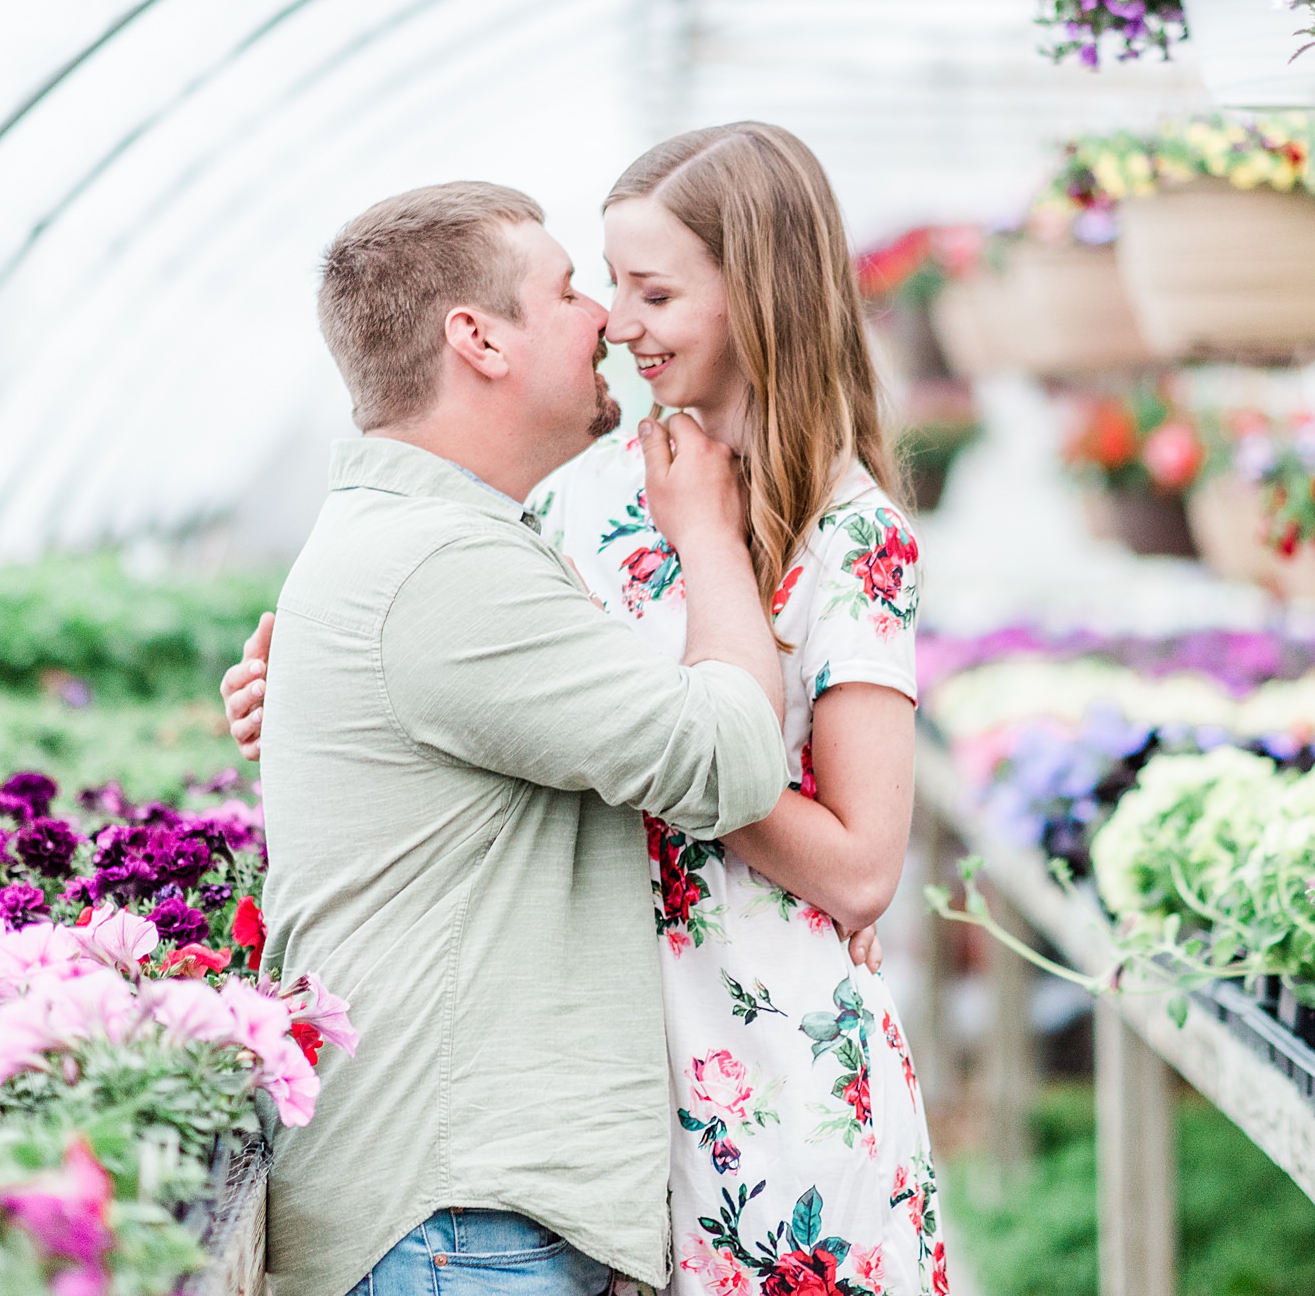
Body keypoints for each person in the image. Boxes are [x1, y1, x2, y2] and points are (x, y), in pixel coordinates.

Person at [229, 125, 946, 1296]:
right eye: (606, 285)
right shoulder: (577, 498)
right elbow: (494, 702)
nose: (617, 320)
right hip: (581, 1101)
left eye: (652, 289)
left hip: (760, 1071)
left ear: (758, 293)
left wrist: (656, 755)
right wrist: (320, 684)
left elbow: (863, 868)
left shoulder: (850, 534)